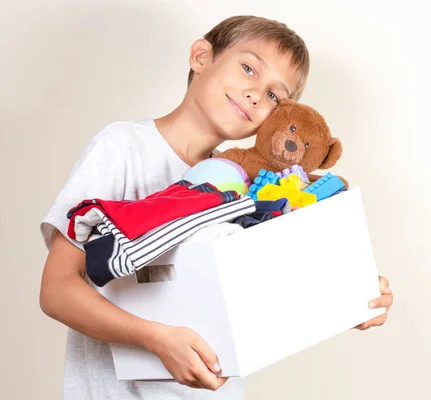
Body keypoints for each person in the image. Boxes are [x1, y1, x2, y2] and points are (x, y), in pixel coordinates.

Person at [39, 15, 394, 400]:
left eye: (276, 95)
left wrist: (347, 298)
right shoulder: (124, 147)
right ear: (201, 56)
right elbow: (57, 290)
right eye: (248, 68)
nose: (257, 95)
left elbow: (262, 298)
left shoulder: (254, 192)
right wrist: (156, 338)